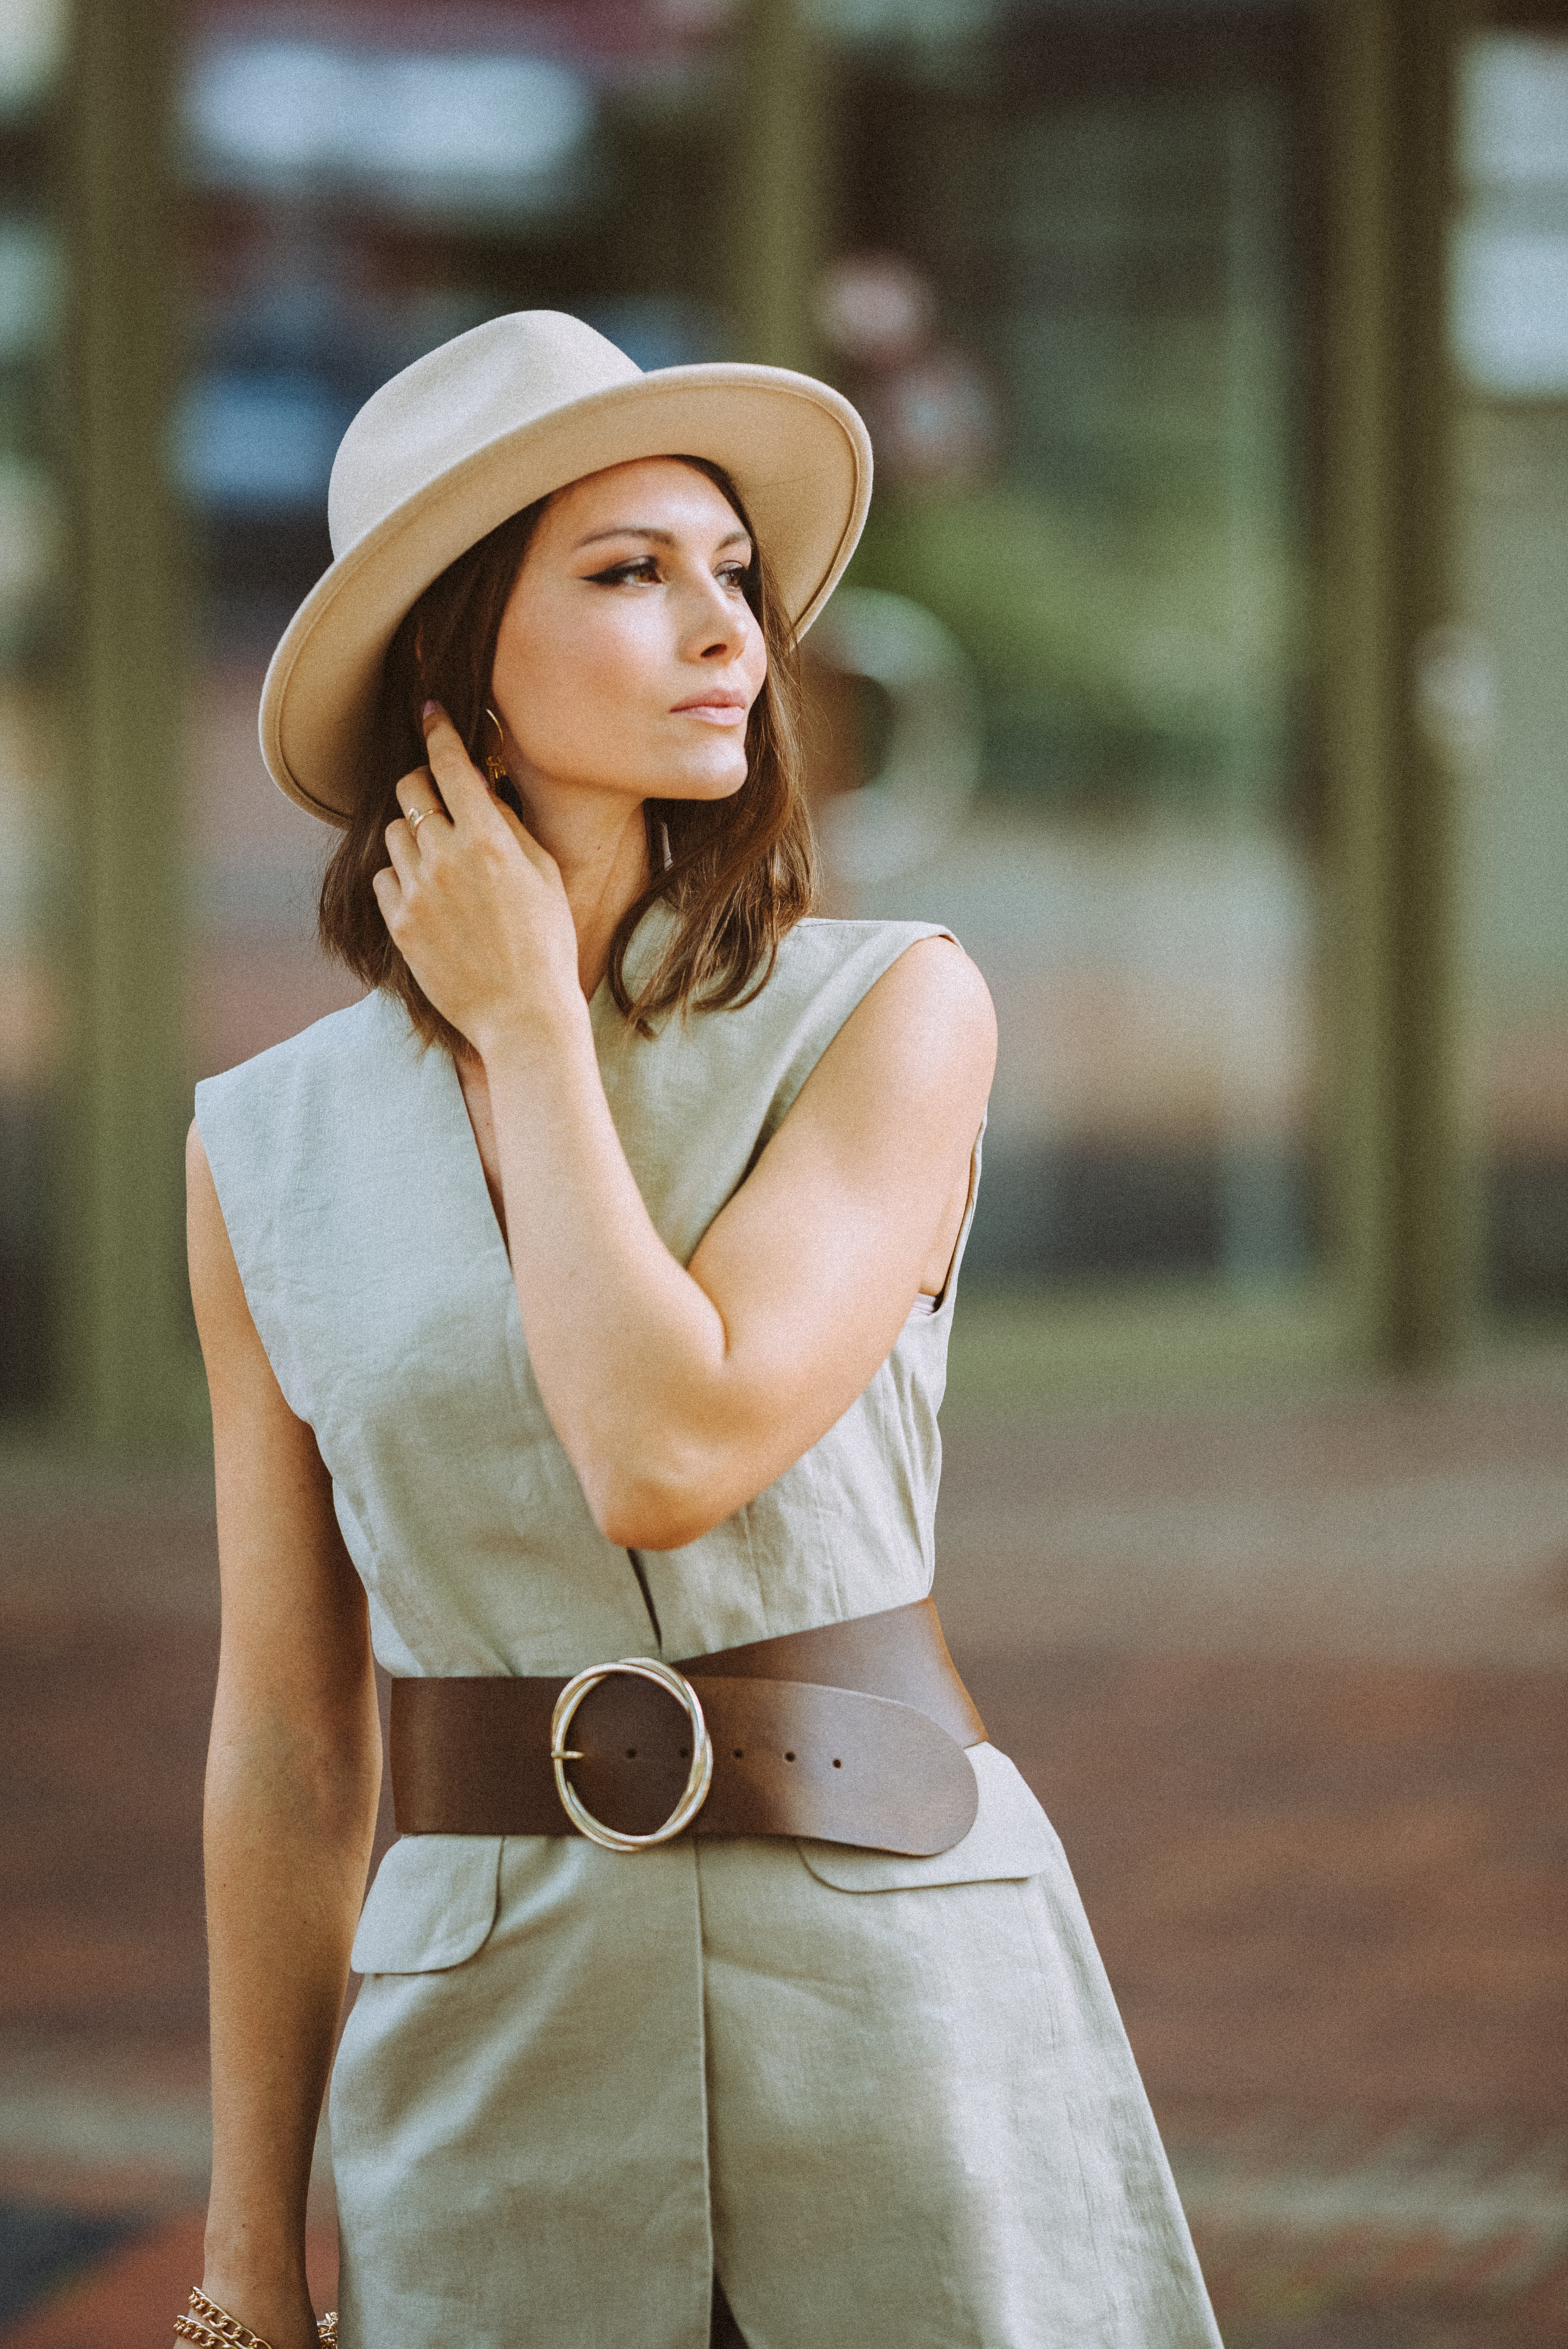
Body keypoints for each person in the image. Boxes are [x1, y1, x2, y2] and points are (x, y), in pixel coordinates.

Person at [184, 312, 1221, 2349]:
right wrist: (243, 2254)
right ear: (449, 645)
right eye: (629, 572)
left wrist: (532, 1029)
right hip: (492, 2072)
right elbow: (293, 1743)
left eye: (731, 570)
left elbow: (674, 1439)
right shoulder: (263, 1149)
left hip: (896, 2024)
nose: (724, 626)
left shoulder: (893, 1012)